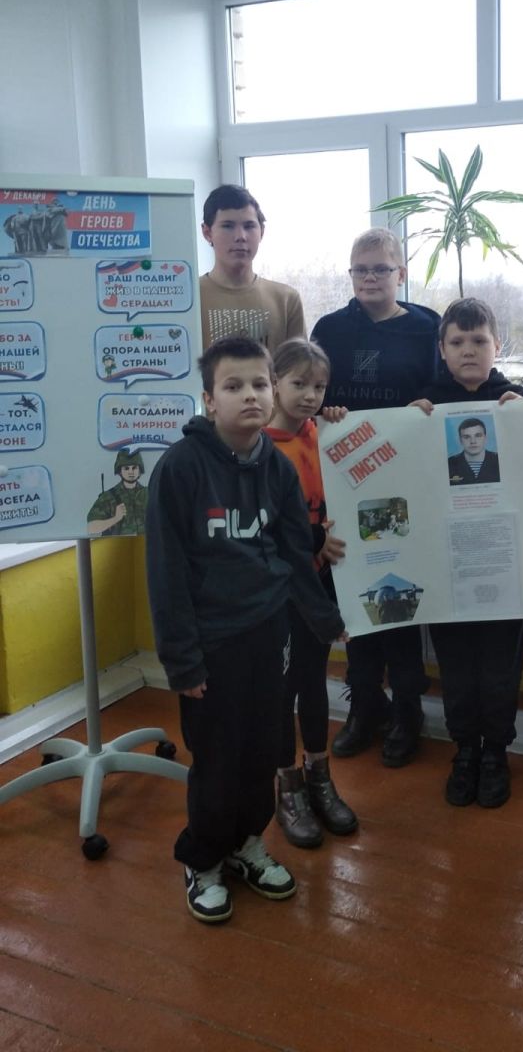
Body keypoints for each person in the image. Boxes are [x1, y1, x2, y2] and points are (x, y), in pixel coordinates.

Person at [145, 335, 347, 924]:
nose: (251, 395)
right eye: (233, 386)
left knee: (263, 749)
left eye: (259, 383)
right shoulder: (180, 469)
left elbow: (294, 557)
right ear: (210, 399)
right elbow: (166, 574)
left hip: (269, 635)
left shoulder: (276, 468)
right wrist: (182, 661)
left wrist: (328, 622)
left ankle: (246, 843)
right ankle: (204, 858)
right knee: (219, 757)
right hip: (210, 645)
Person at [311, 227, 440, 768]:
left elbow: (444, 390)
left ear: (400, 273)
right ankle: (364, 705)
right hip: (347, 482)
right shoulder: (329, 329)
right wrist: (324, 409)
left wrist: (425, 405)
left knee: (400, 599)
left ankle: (408, 710)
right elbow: (310, 392)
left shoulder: (428, 327)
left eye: (380, 269)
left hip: (405, 482)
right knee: (355, 598)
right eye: (360, 269)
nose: (369, 278)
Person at [409, 297, 523, 808]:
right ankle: (464, 750)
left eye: (479, 340)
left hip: (507, 563)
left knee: (502, 665)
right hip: (449, 564)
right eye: (457, 341)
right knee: (455, 664)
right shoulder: (423, 405)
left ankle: (496, 752)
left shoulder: (517, 400)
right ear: (441, 348)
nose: (468, 350)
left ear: (496, 345)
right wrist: (406, 427)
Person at [265, 337, 358, 850]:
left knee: (314, 680)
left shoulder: (321, 432)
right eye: (298, 383)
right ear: (274, 382)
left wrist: (337, 420)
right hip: (281, 588)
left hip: (322, 578)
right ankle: (288, 787)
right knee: (283, 690)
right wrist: (312, 539)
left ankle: (320, 774)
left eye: (319, 387)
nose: (309, 395)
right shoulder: (258, 446)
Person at [199, 184, 305, 350]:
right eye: (227, 226)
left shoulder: (286, 300)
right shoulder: (190, 299)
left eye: (249, 226)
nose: (240, 236)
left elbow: (299, 365)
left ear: (261, 231)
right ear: (207, 233)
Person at [86, 448, 148, 536]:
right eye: (126, 468)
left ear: (140, 470)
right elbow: (91, 528)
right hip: (118, 544)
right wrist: (115, 519)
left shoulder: (149, 494)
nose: (131, 472)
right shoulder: (109, 496)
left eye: (134, 468)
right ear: (120, 471)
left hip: (146, 543)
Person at [447, 416, 501, 485]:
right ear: (460, 440)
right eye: (466, 437)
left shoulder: (499, 460)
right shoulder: (449, 463)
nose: (473, 441)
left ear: (485, 438)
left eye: (478, 435)